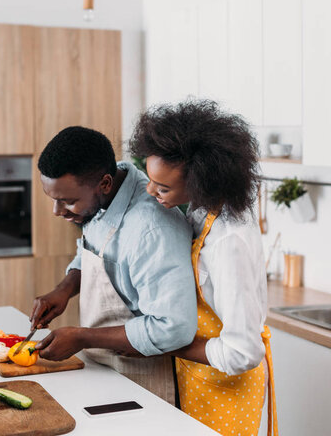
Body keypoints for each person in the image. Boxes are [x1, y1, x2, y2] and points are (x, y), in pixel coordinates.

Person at [129, 99, 278, 436]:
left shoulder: (229, 242)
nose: (151, 191)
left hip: (228, 387)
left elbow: (243, 352)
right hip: (200, 375)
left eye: (163, 187)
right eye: (151, 179)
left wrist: (167, 343)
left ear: (200, 181)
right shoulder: (204, 210)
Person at [30, 125, 198, 404]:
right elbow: (93, 250)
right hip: (102, 368)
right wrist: (64, 288)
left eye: (67, 202)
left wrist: (83, 338)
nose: (57, 212)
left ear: (105, 184)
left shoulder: (152, 230)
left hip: (143, 380)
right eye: (54, 200)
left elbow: (174, 327)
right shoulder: (102, 193)